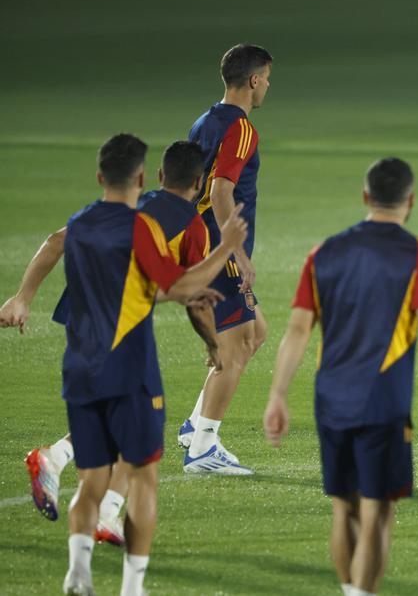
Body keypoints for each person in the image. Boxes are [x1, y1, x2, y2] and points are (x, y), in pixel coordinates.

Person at [263, 157, 418, 596]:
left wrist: (277, 394)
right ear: (411, 201)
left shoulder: (322, 253)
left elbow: (296, 330)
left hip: (330, 400)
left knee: (342, 508)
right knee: (377, 512)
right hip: (382, 403)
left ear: (365, 197)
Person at [49, 133, 246, 596]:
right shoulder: (145, 228)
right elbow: (176, 288)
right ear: (141, 177)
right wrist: (226, 248)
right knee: (145, 475)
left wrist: (22, 297)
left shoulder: (82, 223)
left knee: (91, 480)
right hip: (129, 366)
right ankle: (132, 587)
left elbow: (56, 248)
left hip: (79, 363)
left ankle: (78, 570)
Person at [3, 140, 220, 544]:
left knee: (116, 418)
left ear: (156, 176)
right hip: (120, 325)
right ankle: (63, 467)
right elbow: (194, 298)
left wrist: (23, 297)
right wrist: (212, 344)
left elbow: (55, 240)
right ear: (200, 182)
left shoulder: (134, 203)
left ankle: (94, 499)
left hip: (83, 314)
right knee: (141, 428)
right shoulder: (192, 226)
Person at [178, 43, 273, 474]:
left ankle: (194, 425)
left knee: (256, 333)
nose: (268, 85)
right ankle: (203, 448)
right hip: (219, 249)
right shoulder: (242, 129)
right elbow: (219, 191)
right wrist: (235, 253)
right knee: (234, 348)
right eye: (267, 78)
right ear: (254, 80)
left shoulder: (205, 119)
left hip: (201, 243)